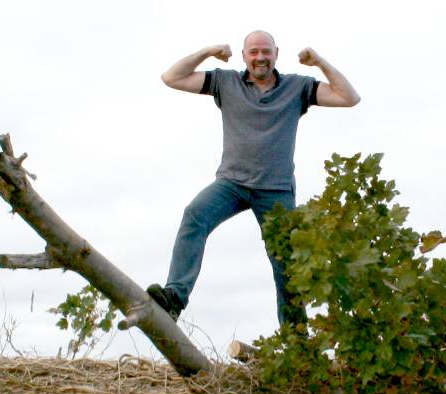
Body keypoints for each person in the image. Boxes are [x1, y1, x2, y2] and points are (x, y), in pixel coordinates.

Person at [148, 31, 360, 326]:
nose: (260, 58)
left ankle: (296, 341)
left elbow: (349, 98)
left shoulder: (297, 88)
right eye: (254, 52)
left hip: (275, 191)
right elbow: (171, 77)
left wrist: (320, 62)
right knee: (194, 215)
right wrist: (208, 51)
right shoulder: (226, 82)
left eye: (266, 52)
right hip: (232, 183)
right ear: (245, 55)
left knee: (286, 263)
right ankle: (174, 298)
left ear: (276, 53)